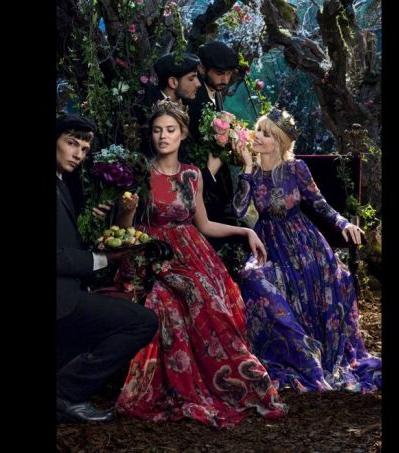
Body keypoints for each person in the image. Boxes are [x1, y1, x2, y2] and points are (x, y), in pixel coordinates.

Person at [108, 100, 287, 428]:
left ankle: (229, 381)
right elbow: (126, 230)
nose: (163, 136)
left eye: (170, 130)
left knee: (210, 298)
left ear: (182, 134)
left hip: (193, 253)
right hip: (153, 253)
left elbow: (203, 225)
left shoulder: (192, 175)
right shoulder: (140, 173)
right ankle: (179, 385)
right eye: (157, 130)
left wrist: (245, 230)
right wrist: (126, 208)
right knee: (169, 300)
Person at [232, 107, 382, 393]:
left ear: (279, 141)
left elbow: (319, 203)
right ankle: (297, 350)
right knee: (252, 277)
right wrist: (248, 169)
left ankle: (315, 354)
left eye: (266, 133)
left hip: (304, 243)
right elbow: (239, 210)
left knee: (328, 276)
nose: (257, 136)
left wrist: (343, 222)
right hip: (269, 244)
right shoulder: (251, 172)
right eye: (258, 130)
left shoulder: (296, 168)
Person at [56, 114, 159, 422]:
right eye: (71, 143)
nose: (78, 154)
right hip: (62, 300)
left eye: (84, 149)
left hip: (70, 292)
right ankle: (65, 393)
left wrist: (101, 223)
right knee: (143, 322)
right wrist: (104, 259)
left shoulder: (62, 182)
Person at [184, 40, 248, 279]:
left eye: (229, 74)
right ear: (202, 68)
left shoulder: (215, 95)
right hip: (202, 188)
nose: (225, 79)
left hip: (218, 184)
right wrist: (220, 155)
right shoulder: (194, 100)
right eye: (219, 73)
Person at [136, 52, 201, 158]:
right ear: (173, 82)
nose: (198, 84)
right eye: (191, 79)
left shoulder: (191, 105)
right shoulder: (149, 109)